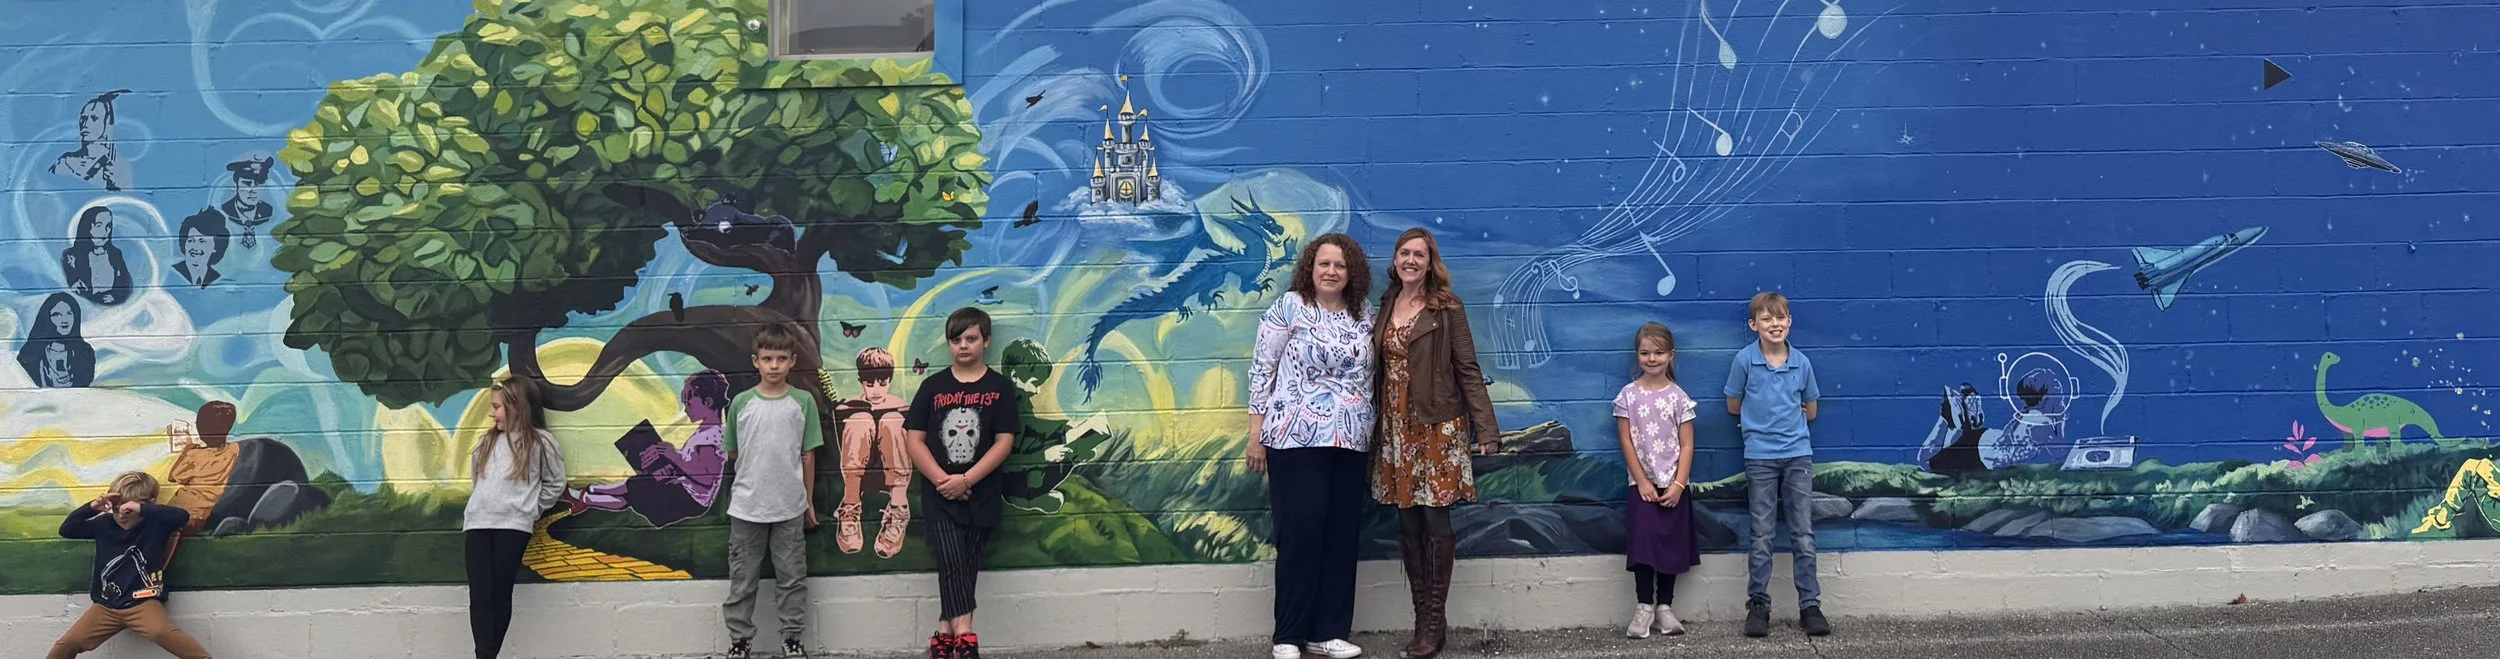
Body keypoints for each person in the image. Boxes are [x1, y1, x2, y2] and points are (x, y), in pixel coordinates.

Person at [1372, 227, 1500, 659]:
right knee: (1407, 523)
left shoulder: (1446, 307)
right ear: (1395, 259)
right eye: (1404, 253)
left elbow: (1468, 368)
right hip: (1395, 428)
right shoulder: (1387, 303)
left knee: (1434, 519)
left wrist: (1487, 427)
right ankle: (1421, 614)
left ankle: (1435, 619)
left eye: (1419, 255)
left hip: (1437, 426)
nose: (1411, 260)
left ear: (1431, 263)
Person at [1246, 234, 1376, 659]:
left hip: (1350, 439)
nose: (1331, 271)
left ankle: (1329, 631)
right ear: (1310, 267)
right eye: (1324, 263)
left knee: (1341, 535)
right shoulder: (1290, 307)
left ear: (1351, 272)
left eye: (1340, 265)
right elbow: (1262, 370)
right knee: (1300, 534)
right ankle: (1289, 634)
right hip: (1292, 438)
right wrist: (1255, 435)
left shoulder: (1365, 315)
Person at [904, 307, 1021, 659]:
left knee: (966, 566)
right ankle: (966, 636)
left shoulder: (999, 388)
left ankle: (944, 632)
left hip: (981, 492)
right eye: (956, 340)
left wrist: (967, 479)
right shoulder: (933, 387)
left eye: (971, 339)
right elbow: (913, 438)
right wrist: (944, 481)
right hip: (939, 495)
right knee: (950, 560)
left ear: (986, 341)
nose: (963, 346)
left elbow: (1004, 441)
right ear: (949, 344)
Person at [1723, 291, 1829, 638]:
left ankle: (1810, 606)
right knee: (1762, 534)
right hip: (1760, 459)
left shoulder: (1802, 363)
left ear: (1790, 321)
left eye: (1780, 317)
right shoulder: (1744, 361)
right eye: (1766, 319)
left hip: (1798, 456)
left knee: (1803, 533)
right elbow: (1733, 405)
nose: (1775, 324)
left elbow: (1810, 409)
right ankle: (1758, 605)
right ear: (1753, 325)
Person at [720, 323, 823, 659]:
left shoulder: (803, 402)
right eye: (768, 358)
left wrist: (808, 501)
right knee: (743, 579)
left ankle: (791, 638)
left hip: (790, 508)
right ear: (756, 361)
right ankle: (739, 641)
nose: (774, 365)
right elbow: (733, 451)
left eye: (781, 358)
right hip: (747, 508)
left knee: (791, 578)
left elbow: (808, 455)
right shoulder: (741, 403)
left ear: (793, 361)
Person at [47, 471, 212, 659]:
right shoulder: (103, 524)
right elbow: (67, 529)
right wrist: (92, 507)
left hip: (143, 602)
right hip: (106, 606)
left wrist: (143, 509)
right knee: (68, 643)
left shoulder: (155, 524)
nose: (121, 516)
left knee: (160, 631)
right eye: (116, 510)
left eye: (128, 511)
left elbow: (181, 516)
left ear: (145, 506)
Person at [462, 377, 569, 659]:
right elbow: (478, 481)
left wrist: (530, 509)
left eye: (497, 407)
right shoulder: (487, 441)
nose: (491, 413)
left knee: (499, 593)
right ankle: (484, 653)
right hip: (477, 524)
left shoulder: (540, 442)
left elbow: (556, 483)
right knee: (480, 595)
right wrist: (479, 508)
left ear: (517, 407)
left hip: (513, 526)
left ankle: (487, 655)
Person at [1614, 322, 1699, 639]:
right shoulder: (1627, 396)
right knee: (1643, 544)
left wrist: (1678, 484)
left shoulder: (1679, 398)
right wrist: (1642, 480)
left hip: (1673, 485)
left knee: (1669, 545)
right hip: (1643, 486)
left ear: (1671, 355)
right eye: (1645, 353)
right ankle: (1643, 607)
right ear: (1637, 356)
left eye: (1659, 353)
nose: (1652, 359)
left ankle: (1665, 607)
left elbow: (1687, 443)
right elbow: (1626, 441)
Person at [563, 369, 731, 528]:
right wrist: (670, 465)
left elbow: (706, 478)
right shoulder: (706, 432)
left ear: (708, 402)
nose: (686, 409)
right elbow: (694, 467)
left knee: (636, 486)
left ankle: (586, 492)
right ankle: (585, 498)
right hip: (685, 491)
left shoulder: (711, 438)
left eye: (689, 403)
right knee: (633, 493)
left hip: (691, 500)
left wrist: (673, 456)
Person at [834, 347, 913, 558]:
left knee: (892, 421)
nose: (876, 390)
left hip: (893, 475)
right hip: (859, 474)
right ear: (861, 381)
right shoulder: (851, 405)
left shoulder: (901, 406)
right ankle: (850, 507)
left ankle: (898, 508)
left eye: (883, 383)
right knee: (860, 420)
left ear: (890, 380)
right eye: (870, 384)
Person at [165, 402, 241, 535]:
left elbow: (173, 477)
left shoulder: (194, 455)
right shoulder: (234, 449)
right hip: (207, 512)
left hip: (185, 510)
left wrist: (187, 450)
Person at [49, 90, 131, 191]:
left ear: (106, 124)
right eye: (83, 118)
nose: (86, 124)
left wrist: (114, 186)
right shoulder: (65, 162)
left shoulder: (117, 167)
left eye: (94, 118)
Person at [17, 292, 96, 388]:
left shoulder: (85, 352)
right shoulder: (30, 353)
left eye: (69, 313)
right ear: (47, 318)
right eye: (57, 315)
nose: (64, 320)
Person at [61, 205, 132, 306]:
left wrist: (115, 296)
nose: (105, 231)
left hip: (111, 311)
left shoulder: (115, 254)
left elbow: (124, 283)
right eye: (99, 225)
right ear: (87, 227)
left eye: (108, 226)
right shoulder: (71, 256)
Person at [218, 155, 277, 249]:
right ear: (236, 184)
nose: (253, 189)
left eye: (258, 184)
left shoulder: (268, 211)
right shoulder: (225, 211)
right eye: (246, 183)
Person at [174, 209, 231, 288]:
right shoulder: (173, 274)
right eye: (191, 240)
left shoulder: (217, 279)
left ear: (216, 247)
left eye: (202, 241)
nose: (195, 247)